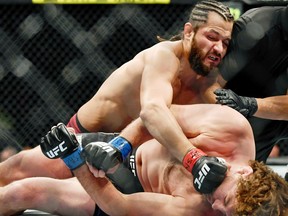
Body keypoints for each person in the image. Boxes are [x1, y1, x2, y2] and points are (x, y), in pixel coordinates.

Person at [0, 0, 234, 194]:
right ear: (188, 32)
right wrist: (195, 160)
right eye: (212, 37)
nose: (219, 49)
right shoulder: (164, 57)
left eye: (225, 43)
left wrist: (250, 105)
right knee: (12, 175)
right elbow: (152, 111)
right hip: (82, 141)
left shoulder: (211, 84)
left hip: (130, 165)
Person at [38, 104, 288, 216]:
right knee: (23, 166)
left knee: (25, 191)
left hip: (133, 190)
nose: (216, 207)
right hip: (127, 149)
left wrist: (72, 157)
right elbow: (154, 113)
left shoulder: (200, 210)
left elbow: (121, 207)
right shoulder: (234, 130)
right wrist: (194, 159)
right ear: (244, 173)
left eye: (225, 215)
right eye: (226, 201)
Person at [209, 5, 288, 163]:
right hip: (230, 113)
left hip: (266, 110)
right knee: (240, 179)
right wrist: (234, 108)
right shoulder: (256, 27)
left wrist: (250, 104)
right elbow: (209, 87)